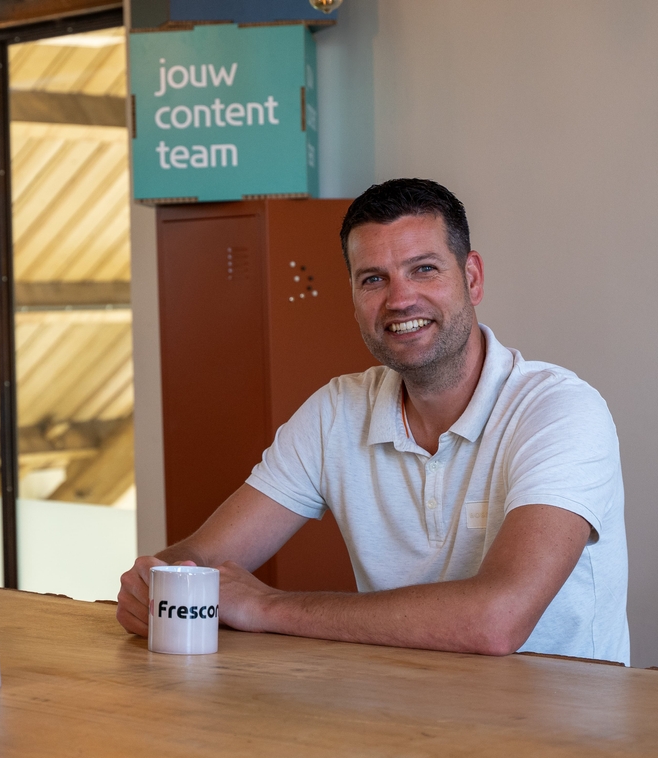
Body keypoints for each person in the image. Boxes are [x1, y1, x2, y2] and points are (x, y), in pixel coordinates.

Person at [117, 178, 629, 664]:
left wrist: (266, 607)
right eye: (373, 279)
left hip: (563, 739)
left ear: (471, 278)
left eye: (424, 269)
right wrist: (158, 581)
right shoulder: (337, 411)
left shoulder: (560, 411)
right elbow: (202, 559)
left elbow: (498, 620)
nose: (400, 299)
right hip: (400, 723)